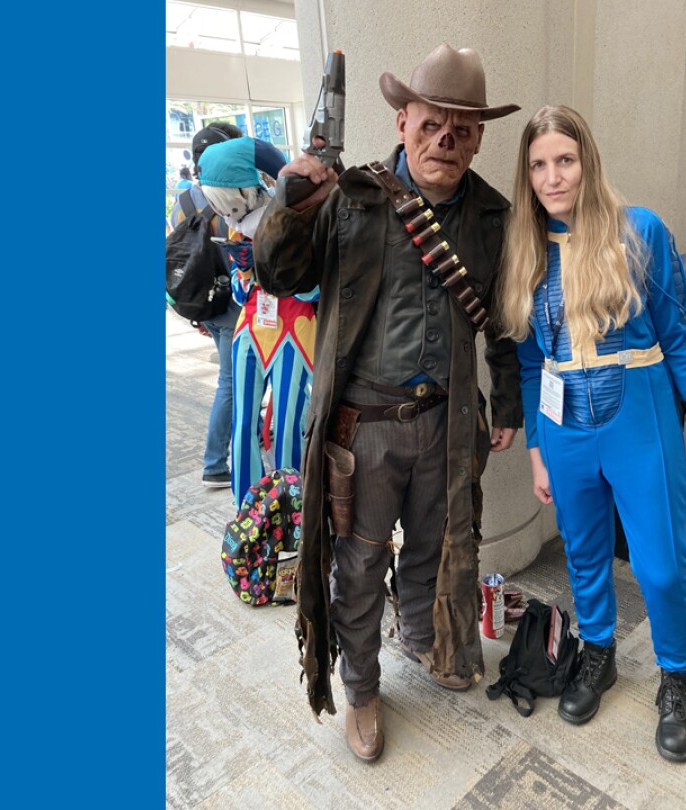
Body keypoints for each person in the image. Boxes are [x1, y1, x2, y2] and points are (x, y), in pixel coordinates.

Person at [254, 44, 523, 763]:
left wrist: (509, 404)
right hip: (363, 429)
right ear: (403, 121)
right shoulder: (350, 198)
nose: (447, 141)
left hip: (447, 422)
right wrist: (289, 203)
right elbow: (278, 273)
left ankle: (425, 638)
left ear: (479, 137)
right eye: (434, 123)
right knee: (358, 563)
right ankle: (363, 687)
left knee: (435, 554)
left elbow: (501, 317)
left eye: (464, 129)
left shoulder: (491, 216)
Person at [496, 105, 686, 763]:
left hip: (638, 421)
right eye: (538, 165)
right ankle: (598, 653)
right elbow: (532, 365)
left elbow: (680, 343)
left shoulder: (639, 232)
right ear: (526, 175)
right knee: (583, 554)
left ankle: (678, 678)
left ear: (586, 160)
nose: (553, 176)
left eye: (564, 159)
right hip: (564, 432)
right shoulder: (527, 249)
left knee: (660, 565)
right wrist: (537, 448)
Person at [196, 136, 317, 506]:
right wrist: (245, 273)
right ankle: (247, 509)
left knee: (288, 428)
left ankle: (291, 513)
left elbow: (315, 288)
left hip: (293, 330)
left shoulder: (297, 220)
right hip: (251, 328)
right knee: (244, 422)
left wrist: (283, 276)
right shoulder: (235, 226)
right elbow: (238, 291)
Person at [168, 122, 289, 488]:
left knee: (237, 385)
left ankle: (230, 461)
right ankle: (218, 462)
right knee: (237, 387)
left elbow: (180, 254)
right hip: (242, 302)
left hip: (211, 301)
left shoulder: (184, 200)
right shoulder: (245, 193)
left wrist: (197, 311)